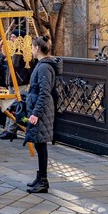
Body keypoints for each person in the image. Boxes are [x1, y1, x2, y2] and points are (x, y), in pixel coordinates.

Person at [24, 36, 63, 194]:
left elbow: (44, 92)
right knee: (39, 144)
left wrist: (36, 113)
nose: (31, 50)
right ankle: (40, 177)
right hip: (41, 109)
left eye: (32, 47)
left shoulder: (44, 68)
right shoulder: (43, 65)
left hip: (42, 111)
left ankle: (43, 181)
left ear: (37, 48)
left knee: (41, 145)